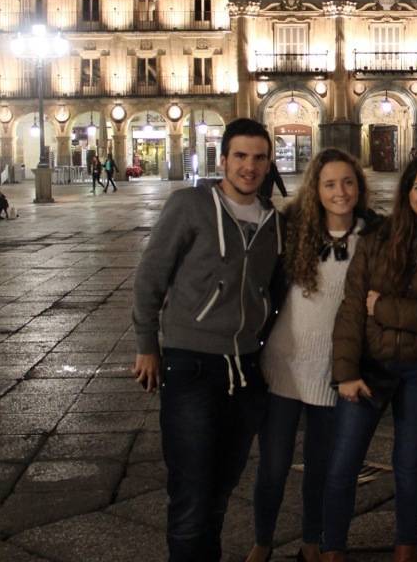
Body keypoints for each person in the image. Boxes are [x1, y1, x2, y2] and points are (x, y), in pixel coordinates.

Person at [132, 118, 285, 562]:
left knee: (220, 490)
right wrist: (147, 344)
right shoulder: (190, 206)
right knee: (191, 494)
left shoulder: (274, 221)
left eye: (259, 157)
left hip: (245, 371)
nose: (249, 167)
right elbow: (150, 277)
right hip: (191, 366)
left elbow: (272, 289)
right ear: (223, 160)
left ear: (269, 162)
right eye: (240, 156)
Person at [324, 156, 417, 562]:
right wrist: (345, 373)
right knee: (343, 464)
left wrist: (385, 308)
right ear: (406, 192)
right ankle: (332, 550)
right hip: (371, 366)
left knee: (409, 465)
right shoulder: (376, 239)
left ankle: (405, 550)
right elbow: (353, 307)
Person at [246, 149, 377, 562]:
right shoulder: (293, 228)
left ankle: (311, 541)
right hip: (283, 365)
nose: (341, 192)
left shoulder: (374, 235)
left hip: (332, 371)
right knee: (273, 467)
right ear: (315, 190)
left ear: (359, 186)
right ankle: (262, 541)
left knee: (319, 468)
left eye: (348, 182)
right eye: (330, 184)